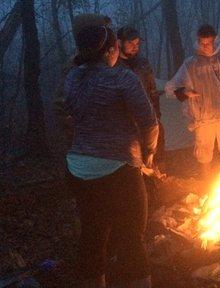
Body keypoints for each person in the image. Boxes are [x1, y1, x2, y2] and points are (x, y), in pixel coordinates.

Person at [64, 24, 159, 288]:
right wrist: (149, 153)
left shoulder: (72, 78)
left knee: (92, 236)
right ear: (110, 50)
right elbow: (150, 123)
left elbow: (70, 114)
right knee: (131, 240)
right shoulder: (122, 78)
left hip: (78, 169)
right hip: (118, 171)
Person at [165, 24, 220, 178]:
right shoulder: (191, 64)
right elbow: (173, 87)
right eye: (202, 43)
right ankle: (206, 185)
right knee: (204, 153)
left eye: (209, 42)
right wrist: (185, 92)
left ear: (215, 41)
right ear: (198, 42)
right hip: (203, 116)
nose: (205, 46)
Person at [53, 14, 112, 140]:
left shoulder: (106, 64)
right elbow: (60, 106)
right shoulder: (73, 69)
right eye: (102, 32)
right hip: (83, 143)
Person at [117, 26, 165, 169]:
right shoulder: (113, 66)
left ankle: (159, 181)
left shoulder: (143, 63)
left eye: (137, 44)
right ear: (119, 43)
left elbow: (152, 90)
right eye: (130, 43)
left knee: (157, 154)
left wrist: (157, 114)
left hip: (149, 118)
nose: (135, 47)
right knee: (135, 161)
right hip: (127, 123)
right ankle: (140, 185)